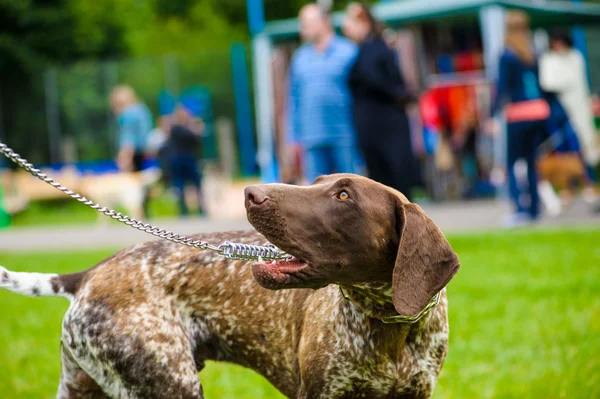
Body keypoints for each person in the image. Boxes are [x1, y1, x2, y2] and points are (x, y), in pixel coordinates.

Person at [342, 2, 419, 200]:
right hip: (377, 124)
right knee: (383, 178)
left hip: (383, 124)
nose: (345, 26)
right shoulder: (366, 50)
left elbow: (377, 80)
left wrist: (400, 95)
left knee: (390, 178)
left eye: (349, 20)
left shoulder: (373, 49)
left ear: (363, 22)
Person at [287, 3, 362, 184]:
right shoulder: (299, 58)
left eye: (305, 23)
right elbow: (294, 100)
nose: (301, 29)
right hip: (312, 139)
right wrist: (294, 138)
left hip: (345, 135)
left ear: (324, 21)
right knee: (315, 197)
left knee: (352, 191)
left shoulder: (350, 52)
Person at [488, 11, 550, 227]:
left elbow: (502, 87)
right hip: (538, 112)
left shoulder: (507, 54)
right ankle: (534, 210)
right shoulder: (532, 52)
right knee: (532, 163)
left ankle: (519, 209)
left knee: (511, 163)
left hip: (519, 115)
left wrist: (491, 115)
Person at [539, 30, 599, 202]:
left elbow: (576, 81)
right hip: (560, 112)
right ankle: (568, 188)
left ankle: (589, 184)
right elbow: (548, 82)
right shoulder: (549, 60)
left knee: (582, 149)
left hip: (578, 109)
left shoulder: (575, 57)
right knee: (563, 152)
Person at [109, 85, 153, 218]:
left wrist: (125, 158)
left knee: (131, 185)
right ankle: (145, 212)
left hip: (133, 152)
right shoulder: (142, 109)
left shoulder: (127, 114)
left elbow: (128, 139)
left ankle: (137, 214)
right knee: (142, 183)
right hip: (145, 151)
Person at [165, 105, 205, 216]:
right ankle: (185, 209)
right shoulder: (177, 129)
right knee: (183, 185)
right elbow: (194, 138)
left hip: (185, 159)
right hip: (182, 160)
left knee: (191, 184)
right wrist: (195, 130)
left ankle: (197, 208)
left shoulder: (176, 129)